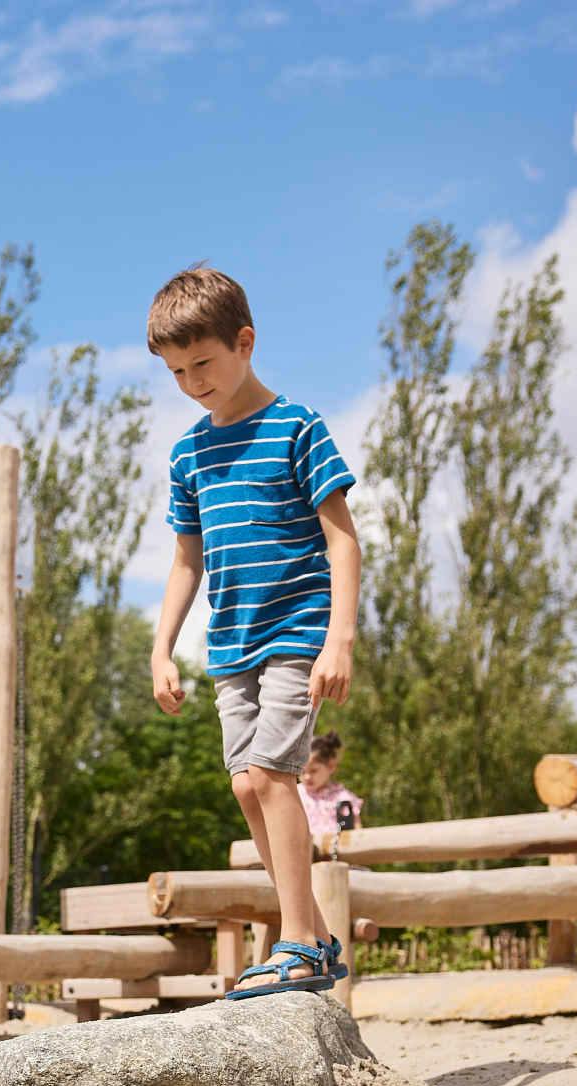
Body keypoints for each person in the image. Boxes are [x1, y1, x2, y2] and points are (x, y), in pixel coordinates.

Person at [146, 267, 364, 997]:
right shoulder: (188, 455)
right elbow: (187, 559)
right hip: (229, 645)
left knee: (274, 775)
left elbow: (343, 540)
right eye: (176, 372)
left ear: (244, 342)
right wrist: (161, 646)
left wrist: (340, 638)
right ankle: (317, 936)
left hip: (297, 630)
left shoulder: (297, 426)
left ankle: (297, 938)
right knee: (246, 785)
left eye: (202, 363)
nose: (191, 382)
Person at [299, 733, 365, 840]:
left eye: (313, 771)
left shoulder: (342, 798)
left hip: (333, 853)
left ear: (331, 766)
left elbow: (356, 833)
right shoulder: (294, 794)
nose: (307, 777)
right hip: (300, 852)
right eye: (302, 771)